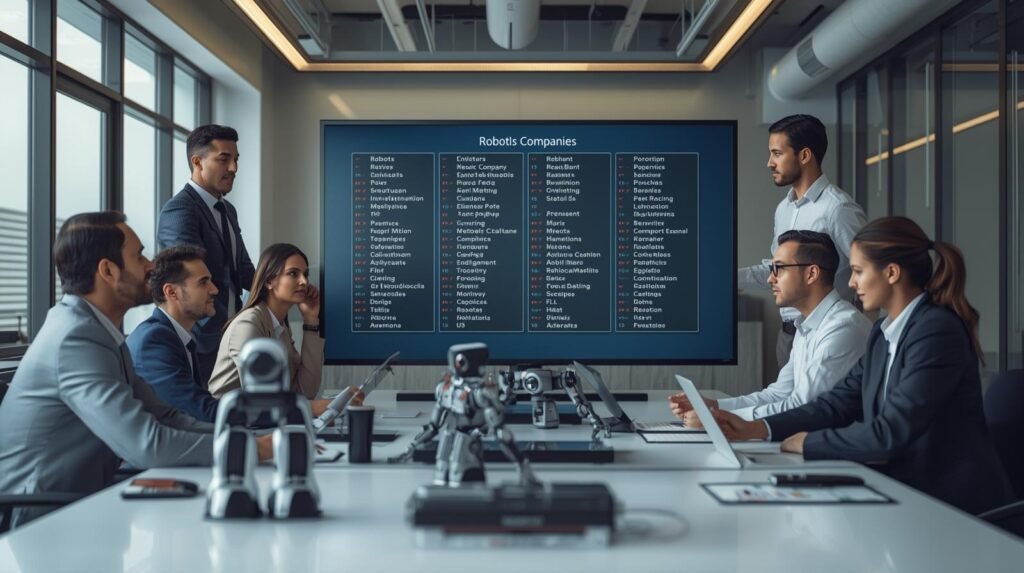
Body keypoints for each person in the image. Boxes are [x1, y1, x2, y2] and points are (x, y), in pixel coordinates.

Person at [713, 217, 1012, 514]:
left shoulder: (936, 331)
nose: (851, 282)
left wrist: (809, 442)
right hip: (906, 491)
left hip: (951, 505)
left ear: (892, 273)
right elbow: (836, 403)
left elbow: (890, 431)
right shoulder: (883, 332)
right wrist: (759, 427)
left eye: (857, 271)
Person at [0, 213, 269, 529]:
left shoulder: (99, 331)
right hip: (35, 520)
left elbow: (165, 416)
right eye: (139, 256)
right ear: (108, 270)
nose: (150, 266)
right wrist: (251, 448)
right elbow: (146, 445)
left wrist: (249, 437)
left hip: (78, 505)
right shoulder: (75, 338)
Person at [671, 230, 871, 423]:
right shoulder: (806, 325)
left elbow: (802, 407)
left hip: (839, 453)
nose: (770, 279)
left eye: (779, 268)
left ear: (811, 274)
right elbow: (778, 394)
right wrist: (714, 407)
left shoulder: (843, 327)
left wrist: (718, 419)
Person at [738, 115, 866, 369]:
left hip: (828, 336)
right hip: (788, 337)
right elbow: (777, 271)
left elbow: (869, 270)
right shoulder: (783, 209)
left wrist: (864, 335)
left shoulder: (838, 208)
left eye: (777, 153)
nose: (769, 163)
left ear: (804, 155)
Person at [208, 243, 359, 413]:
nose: (304, 281)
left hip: (263, 424)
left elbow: (305, 390)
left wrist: (311, 320)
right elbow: (264, 402)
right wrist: (320, 407)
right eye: (293, 273)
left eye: (305, 274)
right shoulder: (248, 325)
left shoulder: (280, 325)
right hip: (233, 429)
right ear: (268, 281)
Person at [158, 124, 255, 383]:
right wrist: (230, 329)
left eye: (235, 160)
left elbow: (244, 270)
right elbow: (190, 280)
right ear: (197, 161)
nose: (233, 168)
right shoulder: (179, 211)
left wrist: (278, 290)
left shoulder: (227, 210)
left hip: (233, 337)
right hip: (204, 340)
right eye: (224, 159)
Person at [126, 246, 222, 423]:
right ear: (171, 292)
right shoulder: (154, 340)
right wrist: (274, 413)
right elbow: (199, 409)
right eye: (203, 282)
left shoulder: (178, 337)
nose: (214, 289)